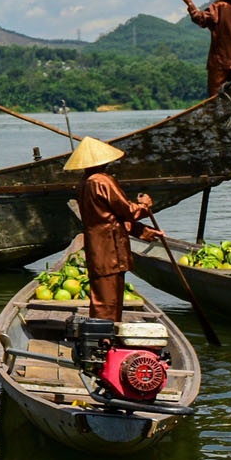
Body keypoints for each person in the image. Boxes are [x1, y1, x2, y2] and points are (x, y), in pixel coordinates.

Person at [66, 136, 154, 323]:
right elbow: (127, 212)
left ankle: (103, 336)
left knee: (103, 297)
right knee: (109, 299)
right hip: (109, 248)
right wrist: (144, 205)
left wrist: (145, 232)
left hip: (99, 247)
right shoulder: (102, 181)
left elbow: (111, 218)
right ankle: (104, 339)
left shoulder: (84, 183)